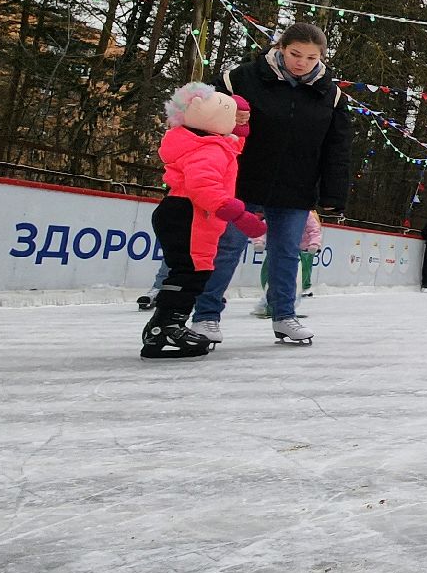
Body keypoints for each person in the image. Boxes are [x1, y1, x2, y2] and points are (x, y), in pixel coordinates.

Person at [191, 22, 350, 347]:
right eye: (294, 54)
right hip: (241, 180)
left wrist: (333, 194)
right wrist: (229, 119)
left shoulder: (330, 96)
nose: (301, 62)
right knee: (227, 248)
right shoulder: (241, 78)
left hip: (296, 185)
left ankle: (283, 316)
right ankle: (206, 316)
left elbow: (337, 147)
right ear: (279, 47)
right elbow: (201, 117)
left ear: (321, 57)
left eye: (310, 57)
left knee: (286, 252)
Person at [142, 84, 264, 358]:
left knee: (193, 270)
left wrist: (242, 121)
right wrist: (239, 215)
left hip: (185, 211)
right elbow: (203, 186)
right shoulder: (207, 148)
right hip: (190, 214)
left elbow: (235, 144)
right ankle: (166, 327)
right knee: (190, 272)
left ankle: (164, 324)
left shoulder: (205, 141)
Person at [298, 211, 322, 298]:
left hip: (307, 246)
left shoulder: (311, 213)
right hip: (294, 245)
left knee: (306, 267)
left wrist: (315, 244)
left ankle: (305, 287)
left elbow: (316, 230)